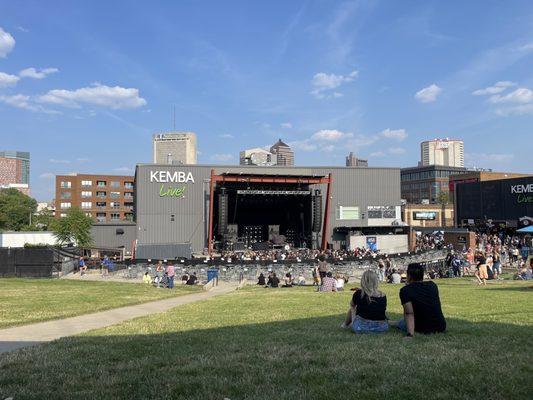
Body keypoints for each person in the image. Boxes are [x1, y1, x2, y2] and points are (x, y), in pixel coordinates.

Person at [395, 263, 446, 337]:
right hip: (440, 325)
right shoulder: (432, 285)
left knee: (402, 323)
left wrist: (410, 334)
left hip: (422, 327)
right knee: (401, 322)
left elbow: (409, 313)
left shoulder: (405, 290)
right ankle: (393, 323)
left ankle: (391, 323)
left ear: (409, 276)